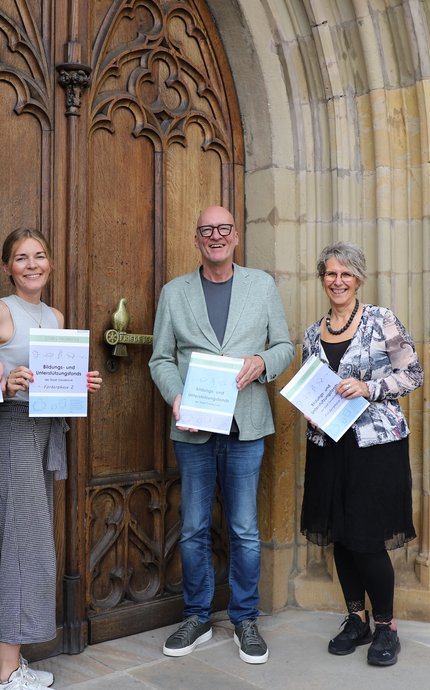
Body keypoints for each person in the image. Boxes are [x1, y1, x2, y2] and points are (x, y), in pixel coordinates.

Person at [148, 206, 293, 665]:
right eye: (207, 230)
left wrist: (263, 363)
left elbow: (285, 346)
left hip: (245, 425)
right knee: (192, 528)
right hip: (192, 427)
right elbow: (161, 359)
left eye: (224, 229)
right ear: (197, 240)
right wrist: (175, 397)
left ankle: (245, 618)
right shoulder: (175, 292)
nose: (216, 236)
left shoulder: (261, 286)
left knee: (245, 529)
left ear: (234, 238)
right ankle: (197, 617)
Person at [0, 228, 102, 690]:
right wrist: (3, 381)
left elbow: (56, 384)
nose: (32, 264)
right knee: (24, 552)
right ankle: (8, 674)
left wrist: (80, 384)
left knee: (19, 550)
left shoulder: (54, 315)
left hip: (45, 436)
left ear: (49, 263)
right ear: (8, 267)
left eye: (40, 256)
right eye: (21, 258)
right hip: (12, 435)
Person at [298, 241, 423, 667]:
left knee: (367, 539)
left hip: (375, 446)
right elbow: (310, 389)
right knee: (340, 537)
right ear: (322, 279)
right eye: (331, 274)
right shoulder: (313, 333)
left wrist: (370, 388)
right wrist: (310, 415)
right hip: (328, 447)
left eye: (346, 274)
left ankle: (386, 627)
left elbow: (413, 374)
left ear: (358, 279)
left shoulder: (380, 319)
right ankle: (357, 619)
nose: (338, 281)